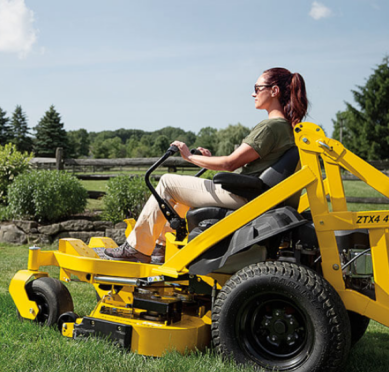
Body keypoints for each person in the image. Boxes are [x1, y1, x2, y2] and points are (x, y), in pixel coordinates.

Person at [105, 67, 309, 263]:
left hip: (244, 197)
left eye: (257, 88)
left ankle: (137, 248)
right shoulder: (288, 129)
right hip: (255, 196)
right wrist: (208, 159)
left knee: (167, 182)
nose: (253, 94)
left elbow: (230, 163)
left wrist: (189, 156)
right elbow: (245, 163)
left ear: (274, 91)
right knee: (183, 190)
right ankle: (161, 246)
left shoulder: (270, 127)